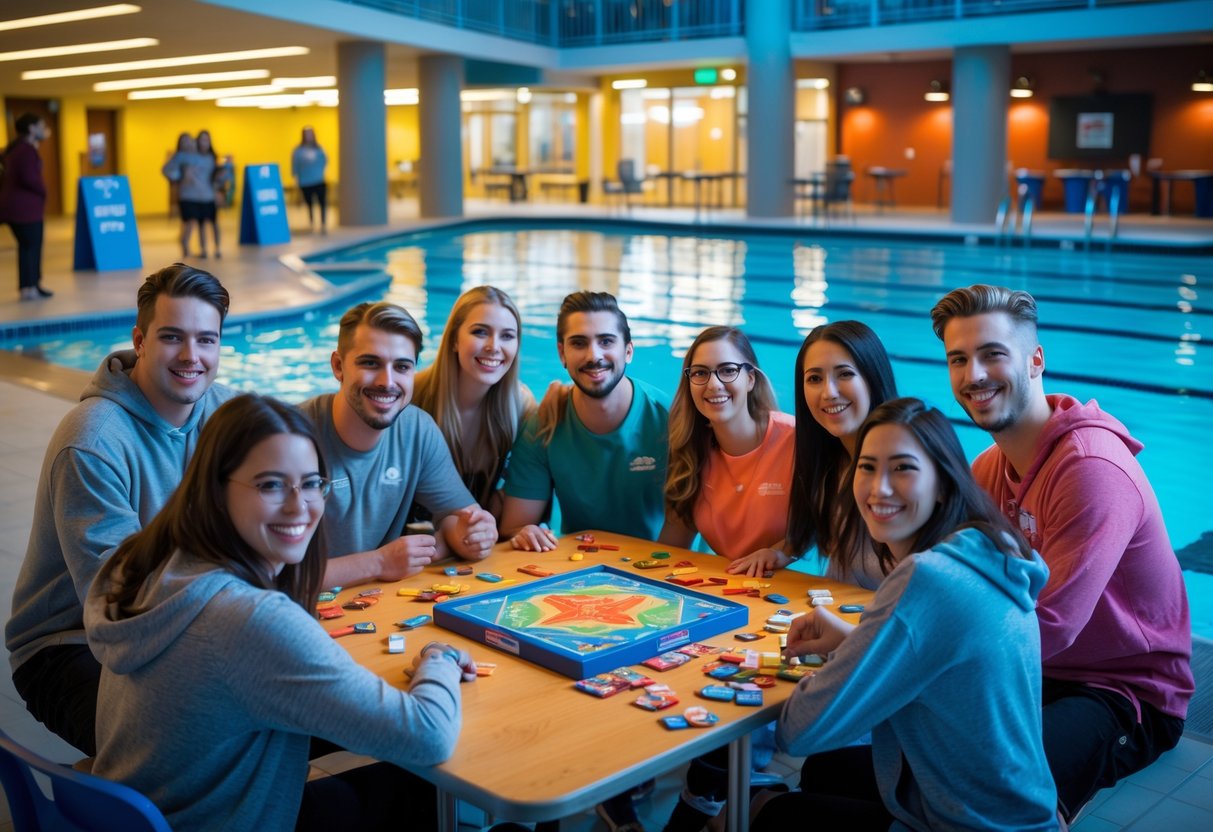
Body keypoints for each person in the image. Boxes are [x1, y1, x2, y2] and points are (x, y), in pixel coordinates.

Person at [85, 393, 473, 831]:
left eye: (311, 483)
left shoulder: (147, 561)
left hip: (152, 814)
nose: (299, 506)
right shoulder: (248, 619)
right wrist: (440, 658)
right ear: (215, 489)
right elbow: (427, 736)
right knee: (426, 785)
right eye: (270, 484)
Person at [930, 283, 1193, 821]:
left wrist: (926, 659)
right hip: (1035, 669)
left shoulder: (1091, 470)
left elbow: (1053, 623)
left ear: (1035, 359)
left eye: (991, 354)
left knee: (1001, 785)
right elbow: (957, 583)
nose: (973, 375)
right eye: (959, 359)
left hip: (1122, 691)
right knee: (910, 752)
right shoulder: (988, 470)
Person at [754, 398, 1058, 830]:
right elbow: (945, 653)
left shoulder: (927, 576)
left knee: (767, 813)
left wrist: (845, 663)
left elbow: (800, 731)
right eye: (867, 467)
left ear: (943, 483)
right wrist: (854, 639)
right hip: (1024, 812)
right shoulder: (990, 548)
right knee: (829, 770)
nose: (879, 489)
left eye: (903, 468)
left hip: (970, 826)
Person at [5, 263, 234, 755]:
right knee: (184, 746)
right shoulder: (93, 441)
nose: (192, 356)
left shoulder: (229, 418)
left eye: (207, 340)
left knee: (289, 719)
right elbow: (119, 603)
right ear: (140, 340)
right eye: (172, 337)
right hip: (69, 646)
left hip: (191, 622)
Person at [299, 301, 497, 588]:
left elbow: (457, 517)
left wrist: (471, 535)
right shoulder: (290, 436)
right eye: (370, 363)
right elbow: (265, 574)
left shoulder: (416, 430)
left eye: (402, 367)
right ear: (339, 366)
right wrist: (378, 563)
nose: (387, 382)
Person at [500, 290, 669, 549]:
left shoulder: (669, 418)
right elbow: (515, 527)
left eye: (606, 341)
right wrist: (526, 534)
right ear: (562, 353)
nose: (593, 355)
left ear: (628, 351)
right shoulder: (545, 424)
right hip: (581, 570)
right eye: (579, 343)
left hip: (667, 566)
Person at [659, 325, 795, 576]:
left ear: (750, 379)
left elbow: (823, 527)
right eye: (700, 373)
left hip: (797, 586)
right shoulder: (690, 450)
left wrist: (780, 552)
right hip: (731, 585)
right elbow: (670, 549)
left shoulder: (795, 441)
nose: (714, 384)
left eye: (728, 371)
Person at [788, 320, 898, 589]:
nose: (829, 393)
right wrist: (780, 551)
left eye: (845, 374)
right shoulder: (829, 462)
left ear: (872, 377)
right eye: (814, 378)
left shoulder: (904, 468)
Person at [412, 285, 534, 522]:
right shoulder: (413, 396)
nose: (494, 346)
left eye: (507, 336)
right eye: (480, 332)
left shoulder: (520, 407)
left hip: (478, 544)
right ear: (454, 340)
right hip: (415, 545)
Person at [0, 112, 52, 300]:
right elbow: (29, 178)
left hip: (16, 209)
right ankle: (30, 287)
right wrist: (43, 191)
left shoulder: (16, 149)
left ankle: (30, 286)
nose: (44, 130)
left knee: (27, 247)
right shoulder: (26, 150)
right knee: (32, 246)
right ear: (31, 129)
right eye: (41, 125)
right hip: (25, 210)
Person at [162, 131, 218, 259]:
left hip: (202, 195)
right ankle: (185, 246)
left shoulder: (200, 156)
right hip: (186, 195)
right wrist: (179, 176)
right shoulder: (180, 156)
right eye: (184, 141)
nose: (187, 144)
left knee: (197, 222)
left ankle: (194, 246)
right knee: (189, 222)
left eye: (189, 141)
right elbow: (166, 170)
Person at [291, 125, 329, 233]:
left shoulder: (319, 149)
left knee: (322, 202)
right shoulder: (298, 151)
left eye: (310, 134)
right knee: (309, 203)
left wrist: (320, 172)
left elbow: (325, 161)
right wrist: (295, 179)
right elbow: (295, 166)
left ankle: (323, 223)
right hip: (305, 182)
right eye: (306, 134)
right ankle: (312, 222)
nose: (308, 137)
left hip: (319, 180)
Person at [195, 129, 225, 257]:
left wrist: (218, 192)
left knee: (214, 223)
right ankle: (203, 249)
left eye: (206, 140)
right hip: (198, 196)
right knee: (200, 224)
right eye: (202, 140)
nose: (204, 143)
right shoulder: (193, 158)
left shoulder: (213, 157)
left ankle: (217, 248)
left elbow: (217, 177)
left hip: (210, 195)